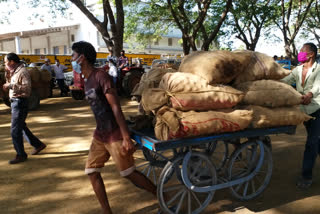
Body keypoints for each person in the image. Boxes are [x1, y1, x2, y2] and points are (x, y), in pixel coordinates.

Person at [71, 41, 156, 213]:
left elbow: (115, 107)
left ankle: (161, 195)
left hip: (114, 134)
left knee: (129, 174)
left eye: (73, 56)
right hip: (100, 134)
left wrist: (126, 137)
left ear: (82, 58)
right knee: (91, 171)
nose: (71, 59)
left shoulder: (101, 76)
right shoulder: (86, 79)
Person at [281, 42, 320, 189]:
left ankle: (306, 176)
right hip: (304, 110)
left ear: (311, 54)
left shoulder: (319, 69)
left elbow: (318, 86)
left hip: (317, 108)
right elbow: (285, 81)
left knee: (311, 142)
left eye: (303, 51)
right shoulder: (297, 70)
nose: (300, 53)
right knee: (315, 139)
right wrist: (270, 82)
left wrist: (310, 94)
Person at [2, 53, 46, 164]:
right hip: (15, 103)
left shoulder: (23, 72)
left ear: (12, 62)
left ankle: (21, 155)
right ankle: (38, 144)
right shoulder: (14, 72)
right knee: (21, 127)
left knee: (15, 130)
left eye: (6, 62)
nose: (5, 64)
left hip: (20, 103)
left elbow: (27, 88)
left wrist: (10, 86)